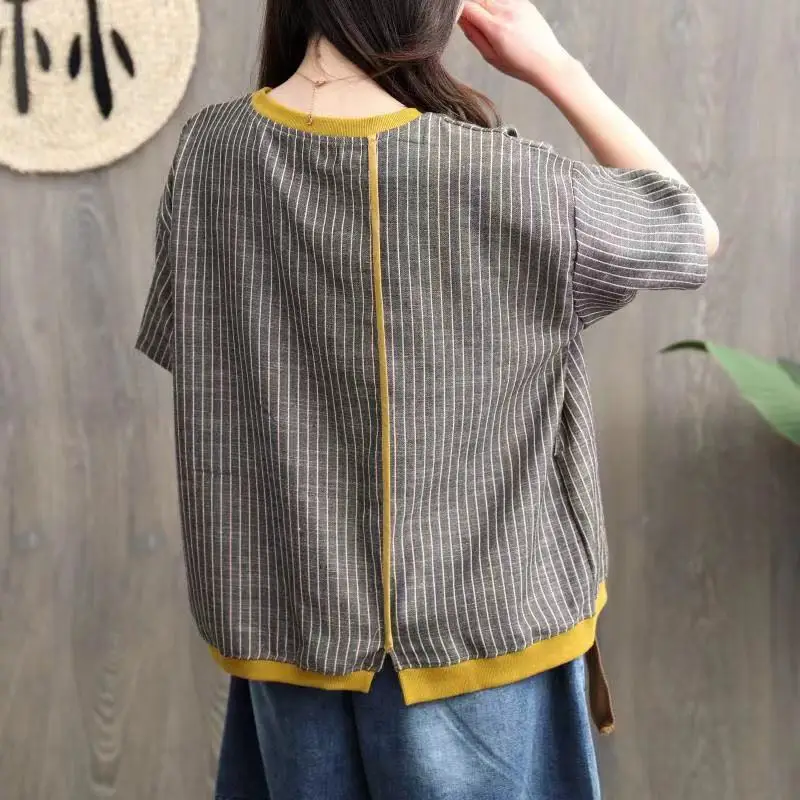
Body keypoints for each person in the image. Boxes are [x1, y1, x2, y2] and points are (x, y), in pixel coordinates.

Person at [135, 1, 719, 798]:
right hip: (484, 656)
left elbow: (199, 355)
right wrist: (556, 67)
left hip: (289, 640)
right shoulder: (505, 177)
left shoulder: (210, 155)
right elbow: (689, 230)